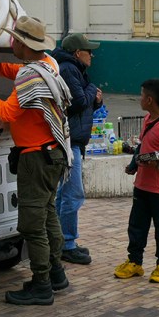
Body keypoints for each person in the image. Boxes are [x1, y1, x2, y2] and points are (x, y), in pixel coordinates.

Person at [0, 16, 72, 306]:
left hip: (36, 158)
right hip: (53, 153)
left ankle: (41, 284)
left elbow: (6, 113)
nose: (11, 44)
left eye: (14, 40)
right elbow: (17, 70)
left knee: (32, 225)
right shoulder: (47, 66)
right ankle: (57, 273)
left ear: (23, 44)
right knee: (48, 216)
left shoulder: (30, 77)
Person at [114, 78, 159, 284]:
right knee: (136, 225)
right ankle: (135, 261)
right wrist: (134, 164)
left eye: (142, 95)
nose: (140, 99)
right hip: (142, 184)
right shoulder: (148, 120)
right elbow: (143, 146)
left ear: (150, 100)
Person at [49, 32, 103, 265]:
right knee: (73, 194)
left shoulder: (74, 69)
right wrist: (93, 92)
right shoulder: (69, 69)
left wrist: (94, 97)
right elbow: (78, 101)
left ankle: (60, 240)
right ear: (77, 53)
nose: (92, 55)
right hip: (70, 141)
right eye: (88, 51)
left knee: (64, 194)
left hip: (73, 140)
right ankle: (67, 244)